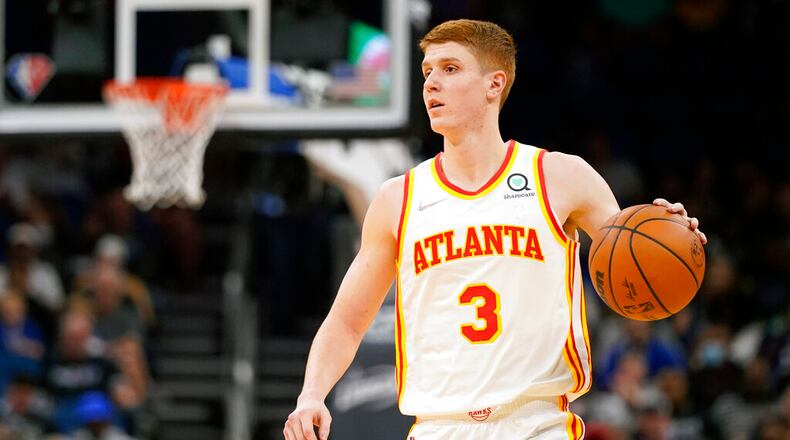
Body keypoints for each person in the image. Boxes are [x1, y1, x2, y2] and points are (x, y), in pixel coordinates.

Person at [284, 19, 707, 440]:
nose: (432, 82)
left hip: (537, 423)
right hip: (438, 427)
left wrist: (667, 229)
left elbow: (628, 259)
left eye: (450, 69)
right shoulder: (397, 199)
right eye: (427, 71)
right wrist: (311, 395)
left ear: (494, 84)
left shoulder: (560, 176)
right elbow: (347, 321)